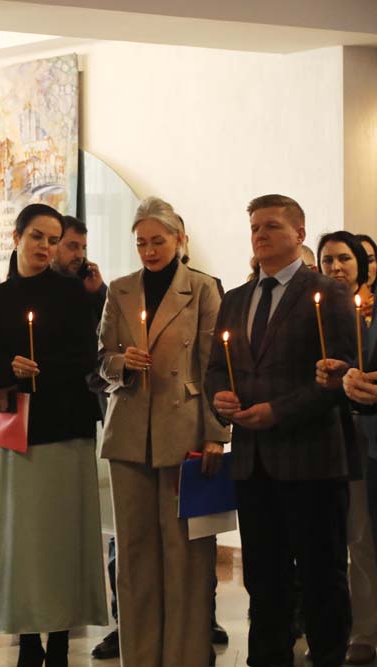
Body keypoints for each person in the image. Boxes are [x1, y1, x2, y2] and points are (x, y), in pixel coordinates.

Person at [206, 194, 355, 667]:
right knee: (264, 579)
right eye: (255, 227)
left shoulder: (326, 293)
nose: (260, 235)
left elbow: (339, 375)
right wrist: (220, 397)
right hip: (254, 462)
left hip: (311, 458)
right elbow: (217, 367)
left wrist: (278, 411)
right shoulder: (237, 298)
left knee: (321, 577)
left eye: (271, 226)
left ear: (299, 233)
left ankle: (327, 657)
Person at [98, 196, 229, 666]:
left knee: (185, 554)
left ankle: (185, 656)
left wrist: (216, 432)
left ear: (179, 239)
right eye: (141, 243)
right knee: (134, 553)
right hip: (130, 432)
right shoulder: (120, 290)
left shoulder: (204, 289)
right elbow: (102, 360)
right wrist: (122, 363)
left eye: (158, 241)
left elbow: (215, 366)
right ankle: (140, 656)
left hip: (185, 430)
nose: (150, 251)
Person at [0, 203, 107, 667]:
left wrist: (42, 367)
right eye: (37, 237)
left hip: (66, 426)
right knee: (23, 539)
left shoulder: (72, 293)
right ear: (16, 237)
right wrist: (8, 368)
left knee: (63, 537)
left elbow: (86, 356)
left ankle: (60, 638)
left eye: (53, 240)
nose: (45, 247)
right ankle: (28, 636)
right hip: (18, 429)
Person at [315, 231, 377, 665]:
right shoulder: (317, 309)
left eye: (345, 259)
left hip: (367, 434)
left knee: (364, 535)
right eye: (327, 260)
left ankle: (366, 629)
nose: (336, 268)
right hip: (329, 435)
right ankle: (353, 629)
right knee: (344, 537)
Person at [51, 214, 106, 319]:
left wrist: (98, 290)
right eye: (73, 246)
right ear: (53, 245)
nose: (80, 255)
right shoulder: (40, 287)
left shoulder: (85, 285)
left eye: (83, 248)